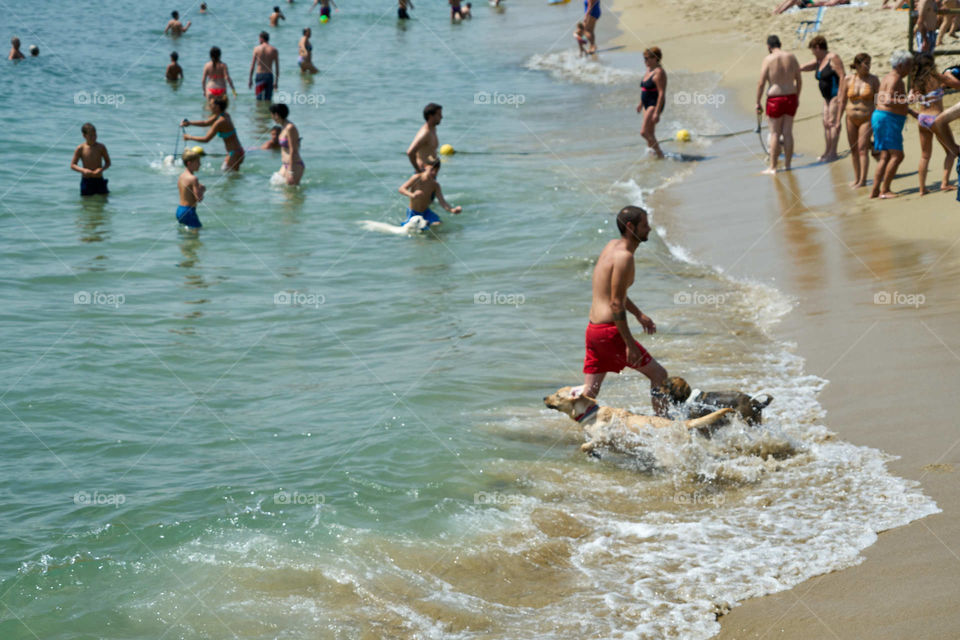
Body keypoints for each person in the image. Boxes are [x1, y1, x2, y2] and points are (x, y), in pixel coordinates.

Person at [578, 206, 668, 417]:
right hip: (610, 332)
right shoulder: (624, 257)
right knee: (659, 376)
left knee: (590, 393)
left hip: (594, 331)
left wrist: (638, 314)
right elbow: (616, 304)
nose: (649, 229)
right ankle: (665, 426)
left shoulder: (612, 247)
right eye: (645, 225)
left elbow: (613, 292)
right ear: (631, 227)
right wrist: (630, 345)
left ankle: (579, 431)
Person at [910, 53, 960, 194]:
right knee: (952, 151)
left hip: (922, 119)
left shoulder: (916, 80)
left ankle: (922, 188)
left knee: (925, 155)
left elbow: (911, 98)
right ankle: (944, 183)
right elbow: (957, 85)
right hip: (936, 119)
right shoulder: (937, 76)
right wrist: (949, 74)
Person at [871, 51, 916, 199]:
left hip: (882, 118)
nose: (911, 69)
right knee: (897, 155)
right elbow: (888, 100)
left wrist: (909, 110)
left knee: (885, 156)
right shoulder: (896, 79)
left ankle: (876, 190)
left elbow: (882, 99)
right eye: (909, 65)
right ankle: (885, 190)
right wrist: (907, 100)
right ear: (901, 65)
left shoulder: (888, 77)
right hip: (888, 120)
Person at [756, 35, 802, 174]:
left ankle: (773, 167)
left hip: (775, 98)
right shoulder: (792, 57)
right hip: (791, 96)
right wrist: (797, 96)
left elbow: (761, 83)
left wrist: (757, 102)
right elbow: (799, 80)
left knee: (775, 133)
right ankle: (788, 165)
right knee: (788, 132)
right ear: (780, 44)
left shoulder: (768, 59)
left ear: (769, 47)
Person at [837, 53, 879, 188]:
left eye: (869, 63)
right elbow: (842, 100)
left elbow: (878, 101)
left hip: (867, 118)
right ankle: (856, 178)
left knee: (862, 149)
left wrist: (880, 120)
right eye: (865, 63)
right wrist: (837, 120)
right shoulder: (848, 79)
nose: (868, 66)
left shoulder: (873, 80)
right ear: (857, 65)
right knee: (854, 149)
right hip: (850, 118)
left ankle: (863, 180)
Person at [800, 36, 844, 162]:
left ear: (818, 48)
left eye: (812, 50)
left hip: (835, 95)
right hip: (826, 97)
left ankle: (833, 153)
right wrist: (795, 68)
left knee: (832, 123)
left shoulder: (833, 58)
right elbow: (806, 66)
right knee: (825, 123)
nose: (812, 53)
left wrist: (841, 95)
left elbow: (842, 76)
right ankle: (827, 151)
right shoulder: (819, 60)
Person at [182, 96, 246, 171]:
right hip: (238, 151)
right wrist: (190, 123)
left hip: (234, 154)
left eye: (211, 105)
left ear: (217, 107)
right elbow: (205, 122)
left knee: (225, 173)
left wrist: (189, 137)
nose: (209, 107)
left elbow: (206, 139)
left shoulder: (220, 122)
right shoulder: (224, 115)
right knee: (234, 178)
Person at [398, 159, 462, 229]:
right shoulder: (417, 178)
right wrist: (412, 195)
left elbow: (442, 201)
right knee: (410, 228)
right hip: (413, 212)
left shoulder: (435, 185)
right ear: (425, 167)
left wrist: (452, 210)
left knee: (438, 223)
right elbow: (401, 189)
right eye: (431, 170)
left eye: (436, 171)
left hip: (426, 212)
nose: (433, 173)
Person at [637, 47, 666, 159]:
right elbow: (644, 89)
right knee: (650, 132)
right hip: (646, 103)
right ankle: (652, 155)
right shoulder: (649, 70)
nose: (645, 61)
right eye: (644, 59)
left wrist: (657, 113)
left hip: (654, 104)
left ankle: (660, 154)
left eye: (647, 58)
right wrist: (640, 103)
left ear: (655, 58)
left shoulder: (659, 73)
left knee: (644, 132)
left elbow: (661, 93)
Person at [71, 123, 111, 196]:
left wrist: (101, 169)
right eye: (91, 136)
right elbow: (73, 165)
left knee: (103, 201)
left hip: (99, 179)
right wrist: (83, 170)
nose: (94, 137)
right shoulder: (80, 148)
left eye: (95, 135)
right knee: (86, 204)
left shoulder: (101, 147)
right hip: (86, 180)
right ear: (84, 136)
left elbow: (108, 162)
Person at [269, 103, 305, 185]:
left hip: (294, 165)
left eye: (272, 115)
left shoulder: (290, 128)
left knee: (292, 195)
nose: (271, 117)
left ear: (276, 115)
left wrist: (291, 171)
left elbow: (293, 150)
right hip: (285, 165)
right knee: (276, 190)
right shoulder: (283, 127)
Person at [176, 148, 206, 230]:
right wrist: (203, 190)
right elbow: (198, 199)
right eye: (197, 162)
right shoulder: (193, 179)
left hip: (180, 210)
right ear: (189, 163)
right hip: (189, 211)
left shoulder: (181, 176)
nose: (200, 164)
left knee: (186, 235)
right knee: (196, 233)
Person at [407, 103, 442, 171]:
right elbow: (410, 152)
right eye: (439, 114)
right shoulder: (425, 133)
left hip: (431, 172)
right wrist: (418, 170)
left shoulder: (433, 128)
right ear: (430, 116)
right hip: (424, 172)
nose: (441, 116)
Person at [249, 32, 279, 102]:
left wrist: (250, 79)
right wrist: (276, 81)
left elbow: (252, 66)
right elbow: (277, 67)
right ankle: (267, 113)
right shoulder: (274, 50)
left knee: (258, 99)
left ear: (261, 39)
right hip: (269, 75)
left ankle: (259, 112)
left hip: (259, 75)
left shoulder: (256, 49)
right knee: (268, 99)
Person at [773, 0, 849, 14]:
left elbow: (827, 4)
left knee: (793, 0)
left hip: (810, 3)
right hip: (810, 2)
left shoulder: (834, 1)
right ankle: (777, 10)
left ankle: (779, 11)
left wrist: (811, 5)